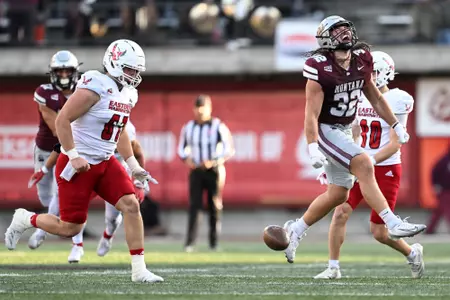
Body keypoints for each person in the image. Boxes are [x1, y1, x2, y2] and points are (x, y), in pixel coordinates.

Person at [5, 39, 163, 283]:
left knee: (131, 205)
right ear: (115, 63)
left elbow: (119, 130)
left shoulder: (129, 94)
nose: (135, 75)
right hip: (77, 164)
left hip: (105, 161)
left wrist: (133, 166)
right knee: (71, 228)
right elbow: (62, 120)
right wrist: (74, 155)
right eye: (130, 69)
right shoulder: (94, 85)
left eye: (137, 70)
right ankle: (26, 218)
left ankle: (139, 270)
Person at [282, 15, 426, 264]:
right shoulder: (319, 67)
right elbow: (311, 114)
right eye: (337, 31)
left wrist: (394, 124)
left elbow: (376, 98)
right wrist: (313, 146)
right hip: (327, 128)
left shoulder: (361, 60)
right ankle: (392, 223)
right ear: (326, 38)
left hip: (346, 129)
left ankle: (294, 231)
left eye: (346, 29)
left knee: (338, 194)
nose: (344, 34)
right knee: (364, 164)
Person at [314, 51, 424, 279]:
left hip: (386, 168)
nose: (368, 76)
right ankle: (333, 267)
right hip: (361, 165)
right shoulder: (359, 97)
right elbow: (354, 131)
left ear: (386, 73)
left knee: (380, 232)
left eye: (373, 72)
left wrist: (368, 162)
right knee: (340, 212)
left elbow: (395, 144)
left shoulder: (398, 99)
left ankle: (412, 252)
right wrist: (348, 158)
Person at [28, 50, 80, 250]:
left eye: (68, 71)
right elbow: (58, 129)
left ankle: (43, 232)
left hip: (71, 147)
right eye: (60, 71)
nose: (64, 75)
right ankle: (50, 222)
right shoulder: (44, 92)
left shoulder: (84, 90)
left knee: (61, 192)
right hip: (47, 147)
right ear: (52, 72)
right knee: (45, 196)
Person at [177, 95, 234, 252]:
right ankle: (190, 243)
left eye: (203, 107)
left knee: (214, 205)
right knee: (194, 205)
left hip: (213, 170)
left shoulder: (218, 126)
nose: (200, 111)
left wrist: (214, 161)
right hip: (196, 170)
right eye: (198, 107)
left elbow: (228, 148)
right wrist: (187, 160)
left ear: (209, 109)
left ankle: (214, 243)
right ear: (194, 109)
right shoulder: (188, 127)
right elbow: (181, 149)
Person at [425, 143, 450, 234]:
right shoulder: (444, 160)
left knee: (439, 211)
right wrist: (435, 185)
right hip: (444, 190)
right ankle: (430, 230)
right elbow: (434, 172)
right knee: (447, 209)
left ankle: (430, 230)